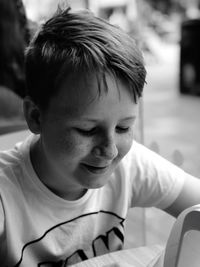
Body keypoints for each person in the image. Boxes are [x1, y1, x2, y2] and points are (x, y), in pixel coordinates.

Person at [1, 6, 200, 267]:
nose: (110, 150)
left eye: (123, 128)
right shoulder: (6, 194)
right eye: (87, 130)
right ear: (36, 117)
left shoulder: (130, 165)